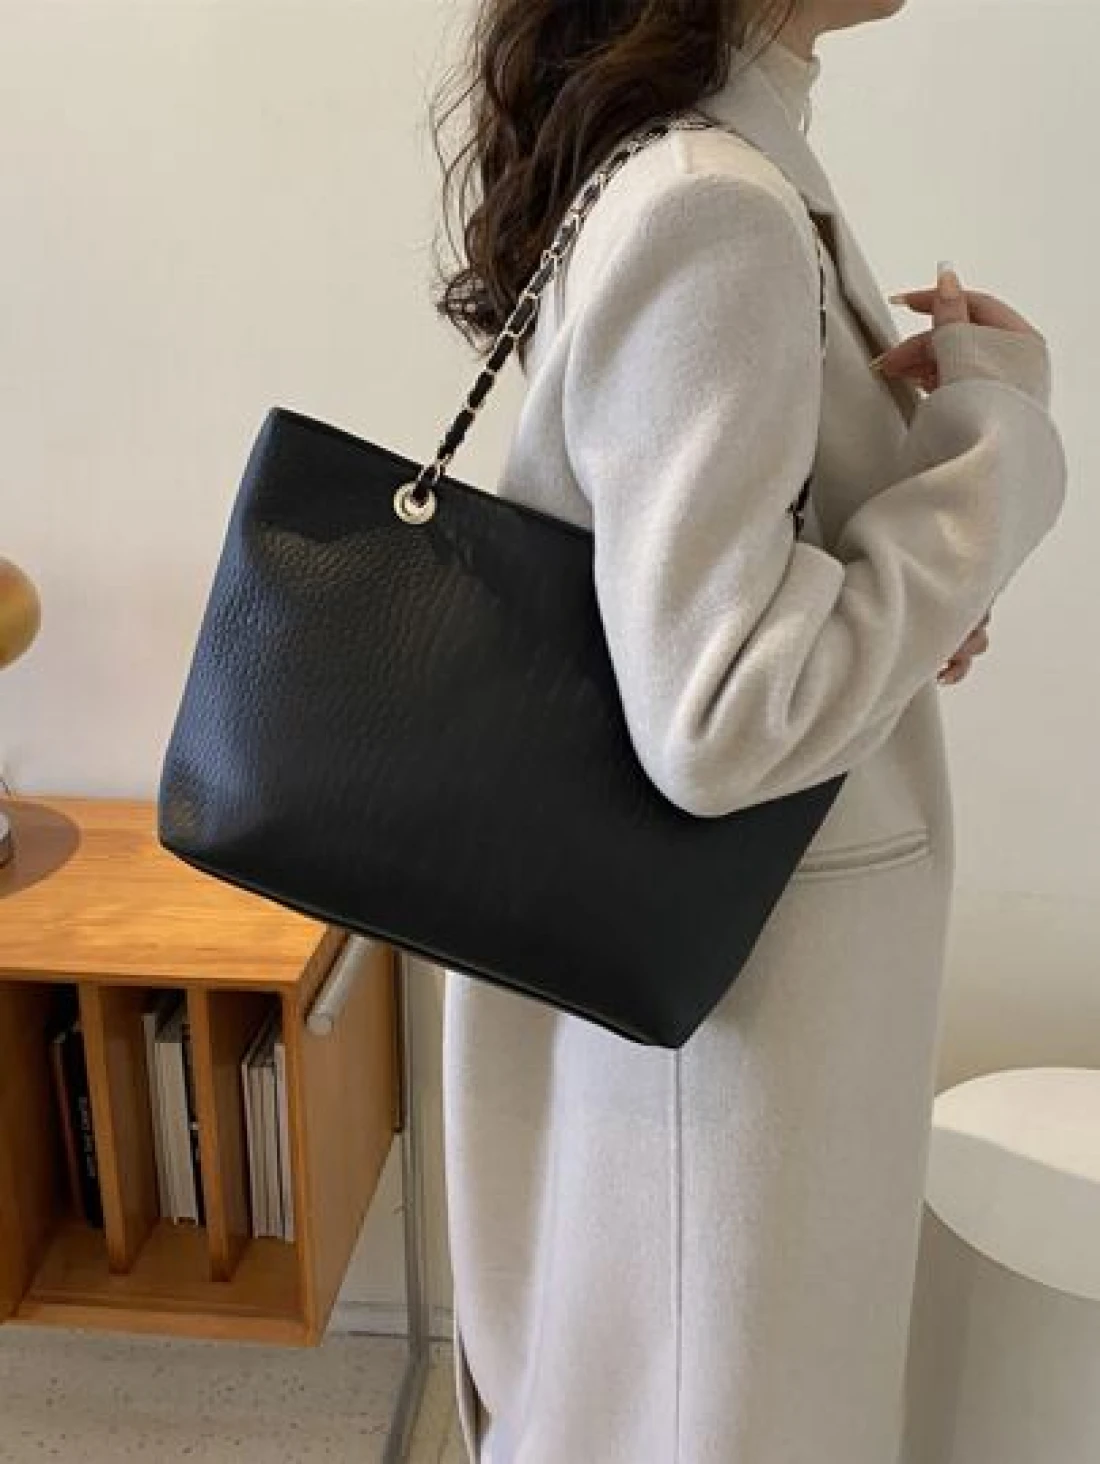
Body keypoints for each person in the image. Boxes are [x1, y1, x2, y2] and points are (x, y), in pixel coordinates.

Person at [431, 1, 1068, 1459]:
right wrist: (1002, 447)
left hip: (730, 1007)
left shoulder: (713, 172)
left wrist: (885, 578)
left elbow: (711, 621)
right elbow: (721, 718)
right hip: (735, 1047)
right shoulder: (715, 205)